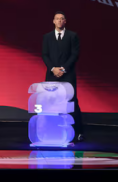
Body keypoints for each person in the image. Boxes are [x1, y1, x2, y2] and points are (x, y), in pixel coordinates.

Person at [41, 11, 84, 141]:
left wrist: (63, 69)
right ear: (53, 21)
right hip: (52, 74)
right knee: (51, 102)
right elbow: (45, 54)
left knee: (72, 102)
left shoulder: (72, 36)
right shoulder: (47, 37)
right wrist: (54, 69)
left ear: (65, 21)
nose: (59, 21)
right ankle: (51, 131)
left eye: (62, 19)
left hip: (68, 74)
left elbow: (74, 55)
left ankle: (78, 132)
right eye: (57, 19)